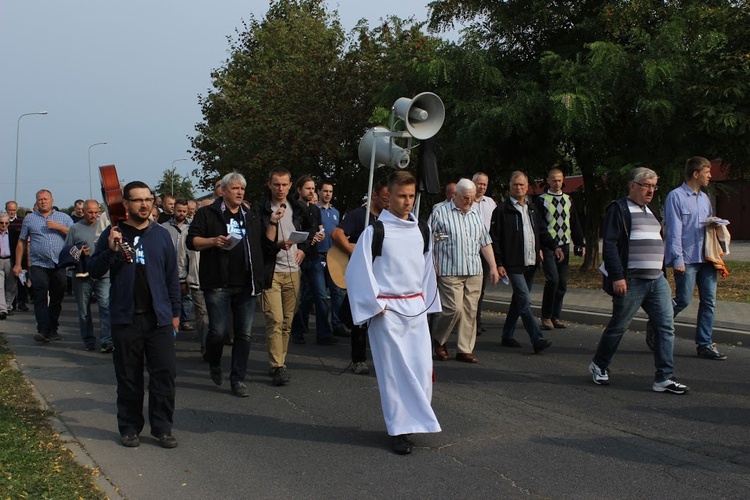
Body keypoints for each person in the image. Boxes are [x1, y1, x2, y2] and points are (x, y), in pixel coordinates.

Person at [346, 171, 441, 455]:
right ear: (388, 196)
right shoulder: (375, 231)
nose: (407, 201)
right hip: (387, 310)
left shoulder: (421, 229)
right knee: (394, 373)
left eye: (411, 196)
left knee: (421, 368)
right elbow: (357, 272)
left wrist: (428, 305)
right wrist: (375, 305)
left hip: (415, 308)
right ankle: (399, 429)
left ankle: (415, 421)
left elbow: (426, 270)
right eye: (401, 196)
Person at [88, 181, 181, 448]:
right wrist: (111, 251)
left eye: (148, 199)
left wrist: (175, 312)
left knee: (164, 373)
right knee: (128, 376)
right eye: (137, 200)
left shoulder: (161, 235)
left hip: (158, 318)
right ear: (125, 204)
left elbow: (171, 277)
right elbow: (94, 270)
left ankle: (162, 428)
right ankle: (129, 427)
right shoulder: (113, 232)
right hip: (126, 318)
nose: (144, 204)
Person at [590, 167, 689, 394]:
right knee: (619, 326)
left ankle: (663, 378)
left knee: (665, 327)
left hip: (657, 280)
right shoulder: (619, 209)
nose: (651, 190)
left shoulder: (651, 211)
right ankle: (599, 364)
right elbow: (611, 245)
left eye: (654, 186)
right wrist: (617, 276)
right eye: (647, 185)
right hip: (631, 280)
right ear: (632, 185)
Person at [187, 172, 278, 396]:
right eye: (235, 188)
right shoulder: (207, 214)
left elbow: (265, 245)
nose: (239, 192)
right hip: (218, 283)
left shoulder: (250, 215)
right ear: (224, 191)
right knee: (217, 332)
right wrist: (213, 241)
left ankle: (238, 378)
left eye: (242, 189)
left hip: (246, 284)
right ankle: (215, 361)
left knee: (244, 334)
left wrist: (273, 224)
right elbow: (192, 241)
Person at [429, 178, 499, 363]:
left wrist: (492, 266)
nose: (469, 201)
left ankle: (464, 349)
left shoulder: (475, 214)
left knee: (470, 310)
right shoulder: (440, 213)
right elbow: (430, 240)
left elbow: (484, 241)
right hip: (449, 268)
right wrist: (432, 262)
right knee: (453, 308)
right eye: (465, 198)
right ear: (456, 195)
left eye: (472, 198)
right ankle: (439, 339)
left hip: (474, 269)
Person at [257, 168, 316, 386]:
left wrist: (304, 249)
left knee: (287, 322)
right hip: (271, 271)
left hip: (293, 270)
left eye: (284, 184)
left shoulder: (298, 208)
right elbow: (260, 244)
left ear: (291, 185)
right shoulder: (261, 210)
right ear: (269, 185)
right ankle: (277, 366)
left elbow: (311, 232)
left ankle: (280, 361)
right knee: (275, 319)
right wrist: (276, 245)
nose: (280, 189)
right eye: (276, 184)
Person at [664, 156, 727, 361]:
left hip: (707, 257)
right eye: (707, 172)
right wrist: (678, 260)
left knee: (709, 301)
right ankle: (658, 323)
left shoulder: (704, 198)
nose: (710, 176)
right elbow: (674, 231)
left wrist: (715, 223)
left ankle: (705, 344)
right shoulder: (675, 197)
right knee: (683, 299)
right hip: (687, 258)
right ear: (695, 174)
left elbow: (705, 227)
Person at [492, 171, 557, 354]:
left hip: (531, 262)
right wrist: (498, 263)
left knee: (518, 301)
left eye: (522, 185)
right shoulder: (502, 210)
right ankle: (537, 339)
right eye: (515, 185)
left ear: (527, 186)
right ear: (510, 187)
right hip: (513, 264)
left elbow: (541, 232)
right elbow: (495, 238)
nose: (519, 188)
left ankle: (507, 334)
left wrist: (554, 246)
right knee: (525, 301)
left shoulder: (532, 208)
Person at [331, 180, 390, 375]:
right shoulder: (360, 216)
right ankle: (358, 359)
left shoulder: (392, 219)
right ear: (374, 195)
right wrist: (353, 251)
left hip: (383, 275)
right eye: (384, 198)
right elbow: (337, 234)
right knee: (361, 319)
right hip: (364, 275)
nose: (388, 202)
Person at [14, 189, 73, 342]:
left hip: (58, 264)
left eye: (46, 199)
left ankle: (53, 327)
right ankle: (43, 329)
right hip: (38, 263)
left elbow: (74, 235)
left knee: (57, 297)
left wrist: (59, 227)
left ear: (52, 201)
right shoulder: (30, 219)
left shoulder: (64, 218)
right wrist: (18, 264)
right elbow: (21, 241)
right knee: (40, 295)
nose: (43, 201)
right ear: (36, 202)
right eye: (40, 199)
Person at [535, 168, 585, 330]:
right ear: (548, 181)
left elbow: (575, 222)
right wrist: (544, 246)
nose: (557, 183)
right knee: (553, 280)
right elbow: (540, 226)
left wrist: (579, 244)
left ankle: (556, 316)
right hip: (549, 246)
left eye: (559, 180)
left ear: (563, 181)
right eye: (553, 180)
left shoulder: (568, 199)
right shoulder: (541, 200)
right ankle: (546, 316)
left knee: (562, 282)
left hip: (565, 245)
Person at [290, 176, 334, 345]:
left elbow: (320, 229)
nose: (311, 191)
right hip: (298, 256)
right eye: (307, 188)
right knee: (299, 297)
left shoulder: (316, 210)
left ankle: (323, 333)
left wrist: (320, 235)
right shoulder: (293, 209)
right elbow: (293, 232)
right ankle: (298, 331)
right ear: (299, 190)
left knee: (320, 295)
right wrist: (310, 237)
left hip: (314, 257)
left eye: (313, 188)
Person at [64, 200, 112, 352]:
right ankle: (88, 340)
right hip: (82, 273)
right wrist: (79, 251)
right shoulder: (75, 228)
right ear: (83, 211)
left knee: (106, 306)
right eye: (90, 212)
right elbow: (66, 251)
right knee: (84, 310)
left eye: (96, 212)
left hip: (103, 273)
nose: (93, 215)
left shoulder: (105, 227)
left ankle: (106, 340)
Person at [315, 180, 347, 337]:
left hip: (333, 254)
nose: (328, 194)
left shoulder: (336, 212)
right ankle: (306, 324)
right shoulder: (314, 210)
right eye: (325, 191)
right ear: (319, 191)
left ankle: (337, 323)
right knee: (317, 293)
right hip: (317, 254)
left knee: (336, 291)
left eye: (330, 191)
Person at [472, 172, 497, 336]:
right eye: (479, 183)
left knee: (480, 289)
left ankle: (476, 321)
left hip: (485, 249)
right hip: (470, 249)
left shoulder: (491, 203)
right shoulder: (466, 202)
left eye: (484, 184)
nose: (481, 187)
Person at [162, 199, 193, 331]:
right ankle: (172, 318)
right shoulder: (164, 227)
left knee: (186, 296)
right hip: (168, 266)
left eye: (184, 211)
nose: (181, 213)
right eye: (179, 210)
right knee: (170, 295)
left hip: (186, 265)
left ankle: (184, 320)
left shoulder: (191, 227)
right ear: (173, 210)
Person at [6, 201, 29, 312]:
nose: (12, 212)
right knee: (10, 281)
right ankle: (11, 303)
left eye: (14, 210)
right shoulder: (3, 222)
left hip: (21, 255)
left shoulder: (21, 221)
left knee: (22, 280)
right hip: (8, 254)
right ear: (6, 209)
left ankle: (22, 302)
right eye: (10, 210)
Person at [0, 212, 15, 320]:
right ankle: (2, 309)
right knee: (0, 286)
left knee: (11, 286)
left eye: (6, 223)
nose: (4, 225)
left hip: (10, 260)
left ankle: (8, 306)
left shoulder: (14, 233)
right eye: (1, 223)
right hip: (0, 260)